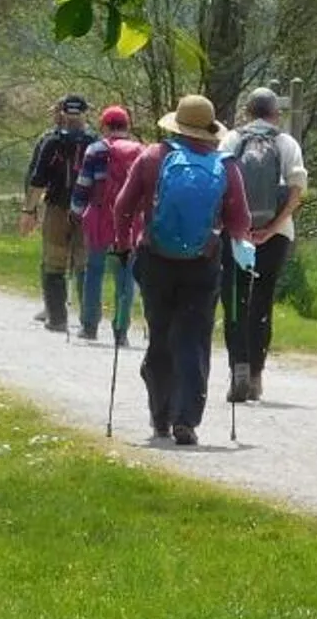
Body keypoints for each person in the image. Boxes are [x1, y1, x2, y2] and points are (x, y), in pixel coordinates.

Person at [109, 94, 257, 445]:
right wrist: (235, 241)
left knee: (160, 334)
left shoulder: (152, 157)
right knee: (193, 338)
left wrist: (123, 243)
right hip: (202, 263)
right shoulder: (226, 165)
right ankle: (186, 419)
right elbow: (241, 222)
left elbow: (122, 206)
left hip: (156, 259)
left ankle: (160, 416)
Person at [219, 86, 309, 404]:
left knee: (235, 299)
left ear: (247, 112)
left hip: (237, 233)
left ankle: (238, 370)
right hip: (277, 234)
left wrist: (238, 227)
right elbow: (297, 190)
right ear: (276, 114)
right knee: (262, 301)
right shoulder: (286, 143)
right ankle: (256, 376)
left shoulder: (232, 139)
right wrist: (272, 227)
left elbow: (222, 184)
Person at [73, 104, 150, 346]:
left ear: (104, 125)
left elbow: (84, 183)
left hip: (99, 216)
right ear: (126, 126)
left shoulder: (95, 150)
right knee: (126, 275)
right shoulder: (141, 151)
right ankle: (121, 330)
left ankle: (89, 325)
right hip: (129, 220)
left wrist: (75, 211)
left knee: (93, 270)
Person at [20, 93, 97, 333]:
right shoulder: (95, 143)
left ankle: (57, 318)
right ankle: (88, 322)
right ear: (86, 113)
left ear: (61, 112)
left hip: (57, 208)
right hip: (87, 210)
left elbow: (37, 180)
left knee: (54, 263)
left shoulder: (51, 142)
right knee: (84, 265)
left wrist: (29, 209)